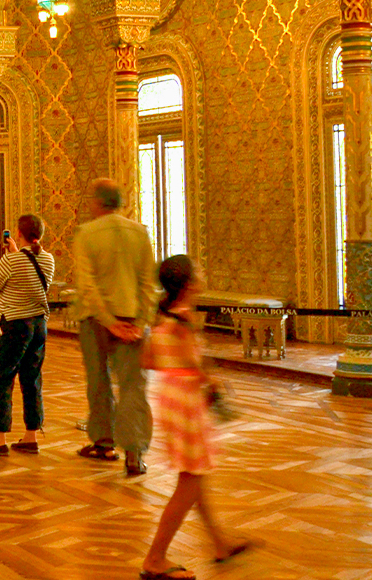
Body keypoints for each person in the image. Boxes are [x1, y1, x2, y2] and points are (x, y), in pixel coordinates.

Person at [139, 255, 253, 579]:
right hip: (187, 400)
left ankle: (220, 543)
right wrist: (212, 383)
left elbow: (147, 361)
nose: (202, 273)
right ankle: (155, 558)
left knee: (194, 476)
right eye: (198, 271)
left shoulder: (161, 317)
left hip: (169, 395)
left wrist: (174, 366)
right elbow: (195, 362)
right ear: (189, 284)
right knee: (189, 482)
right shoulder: (183, 318)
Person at [70, 178, 158, 475]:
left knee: (99, 382)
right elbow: (148, 283)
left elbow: (87, 285)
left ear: (97, 202)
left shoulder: (86, 233)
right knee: (134, 386)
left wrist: (108, 321)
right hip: (133, 321)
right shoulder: (140, 233)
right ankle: (134, 453)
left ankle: (104, 443)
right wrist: (140, 323)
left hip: (96, 321)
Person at [0, 214, 55, 456]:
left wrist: (10, 256)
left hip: (15, 326)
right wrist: (17, 254)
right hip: (38, 325)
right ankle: (31, 436)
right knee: (32, 379)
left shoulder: (11, 260)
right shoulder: (48, 259)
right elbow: (32, 278)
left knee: (2, 379)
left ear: (19, 234)